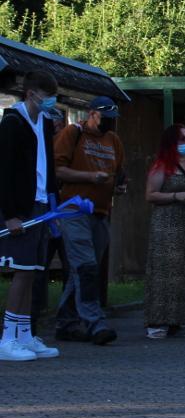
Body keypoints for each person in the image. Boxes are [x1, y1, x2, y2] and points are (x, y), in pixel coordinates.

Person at [0, 69, 62, 361]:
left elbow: (48, 168)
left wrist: (53, 206)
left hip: (41, 205)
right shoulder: (12, 123)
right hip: (21, 209)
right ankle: (7, 337)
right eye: (48, 97)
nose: (51, 102)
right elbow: (5, 172)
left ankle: (24, 334)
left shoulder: (45, 123)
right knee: (22, 271)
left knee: (35, 271)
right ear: (31, 94)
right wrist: (10, 214)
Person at [53, 95, 125, 345]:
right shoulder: (73, 134)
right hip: (74, 211)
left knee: (81, 269)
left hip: (101, 212)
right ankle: (96, 323)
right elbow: (57, 170)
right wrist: (90, 177)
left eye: (113, 119)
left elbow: (119, 174)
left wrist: (118, 186)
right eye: (105, 118)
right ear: (92, 113)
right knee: (86, 267)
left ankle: (66, 323)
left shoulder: (113, 140)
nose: (109, 124)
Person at [143, 124, 185, 340]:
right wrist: (176, 196)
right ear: (171, 143)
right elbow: (150, 195)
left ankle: (178, 320)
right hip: (167, 224)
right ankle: (157, 320)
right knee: (165, 270)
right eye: (181, 139)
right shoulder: (162, 166)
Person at [30, 109, 70, 337]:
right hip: (45, 212)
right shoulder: (41, 147)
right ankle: (32, 321)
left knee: (70, 267)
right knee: (36, 268)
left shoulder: (62, 145)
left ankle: (65, 321)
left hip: (61, 212)